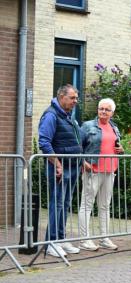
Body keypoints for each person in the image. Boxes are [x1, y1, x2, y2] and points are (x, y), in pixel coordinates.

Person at [38, 84, 82, 257]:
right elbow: (44, 142)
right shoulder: (51, 115)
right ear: (61, 97)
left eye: (76, 98)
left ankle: (61, 239)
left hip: (71, 167)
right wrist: (56, 163)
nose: (75, 101)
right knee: (56, 204)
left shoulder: (67, 115)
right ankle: (52, 242)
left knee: (65, 204)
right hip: (60, 168)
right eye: (72, 98)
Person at [78, 98, 124, 251]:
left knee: (105, 205)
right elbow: (78, 147)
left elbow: (115, 146)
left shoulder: (114, 127)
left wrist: (121, 150)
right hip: (93, 170)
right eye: (101, 108)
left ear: (112, 112)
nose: (103, 111)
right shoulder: (88, 126)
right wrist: (83, 162)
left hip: (110, 170)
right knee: (87, 204)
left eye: (107, 109)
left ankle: (104, 238)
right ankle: (84, 239)